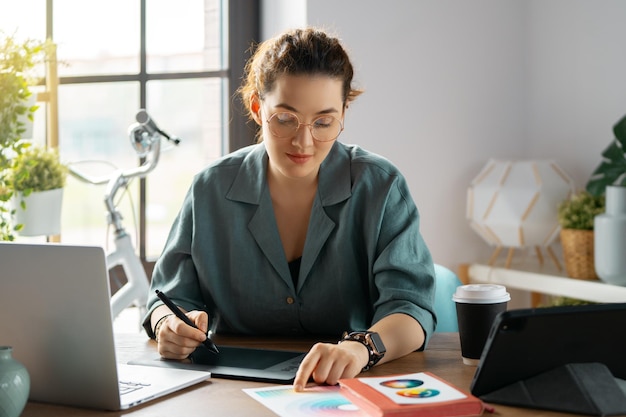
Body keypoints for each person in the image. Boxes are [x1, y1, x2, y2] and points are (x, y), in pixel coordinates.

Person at [142, 27, 436, 392]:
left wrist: (361, 348)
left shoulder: (381, 186)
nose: (303, 141)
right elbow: (169, 299)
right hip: (231, 389)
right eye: (285, 119)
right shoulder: (209, 189)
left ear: (344, 113)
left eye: (324, 122)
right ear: (256, 108)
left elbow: (410, 308)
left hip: (352, 387)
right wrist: (167, 327)